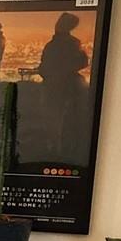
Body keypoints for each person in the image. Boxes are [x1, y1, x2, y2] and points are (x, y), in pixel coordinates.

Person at [33, 12, 91, 163]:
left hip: (53, 88)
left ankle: (55, 149)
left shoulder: (51, 46)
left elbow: (44, 68)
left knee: (53, 119)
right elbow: (82, 62)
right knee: (68, 120)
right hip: (69, 87)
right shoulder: (73, 43)